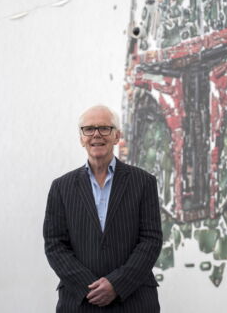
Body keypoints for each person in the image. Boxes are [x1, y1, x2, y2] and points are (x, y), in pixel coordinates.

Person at [43, 104, 163, 312]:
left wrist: (117, 284)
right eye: (89, 129)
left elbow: (151, 240)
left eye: (104, 128)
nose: (96, 134)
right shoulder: (61, 187)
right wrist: (88, 286)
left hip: (134, 300)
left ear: (117, 136)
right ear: (82, 138)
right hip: (80, 301)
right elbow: (55, 245)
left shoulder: (144, 182)